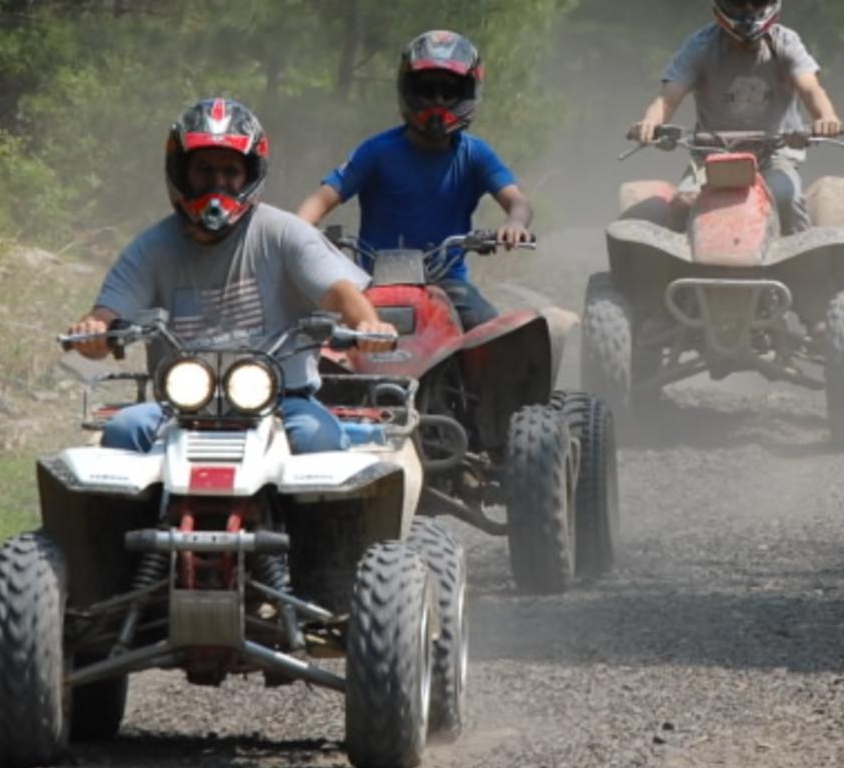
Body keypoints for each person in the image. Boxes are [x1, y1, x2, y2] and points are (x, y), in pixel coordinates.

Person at [67, 97, 394, 454]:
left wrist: (368, 326)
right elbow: (108, 312)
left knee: (321, 441)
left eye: (230, 172)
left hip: (283, 400)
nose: (217, 184)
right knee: (123, 430)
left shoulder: (285, 233)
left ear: (250, 175)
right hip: (180, 405)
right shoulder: (151, 248)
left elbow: (338, 293)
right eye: (204, 171)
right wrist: (94, 331)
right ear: (181, 173)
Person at [296, 30, 533, 330]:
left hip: (448, 284)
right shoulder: (377, 151)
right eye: (426, 91)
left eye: (448, 93)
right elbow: (322, 198)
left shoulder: (475, 154)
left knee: (489, 331)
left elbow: (517, 201)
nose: (436, 102)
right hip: (370, 282)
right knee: (317, 337)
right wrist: (299, 231)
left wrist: (515, 224)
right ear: (407, 90)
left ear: (468, 94)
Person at [627, 0, 844, 233]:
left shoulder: (785, 43)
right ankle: (667, 271)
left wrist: (825, 119)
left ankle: (806, 272)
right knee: (684, 202)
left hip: (775, 156)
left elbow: (811, 89)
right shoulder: (700, 45)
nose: (748, 9)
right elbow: (668, 98)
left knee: (785, 198)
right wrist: (650, 123)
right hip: (711, 157)